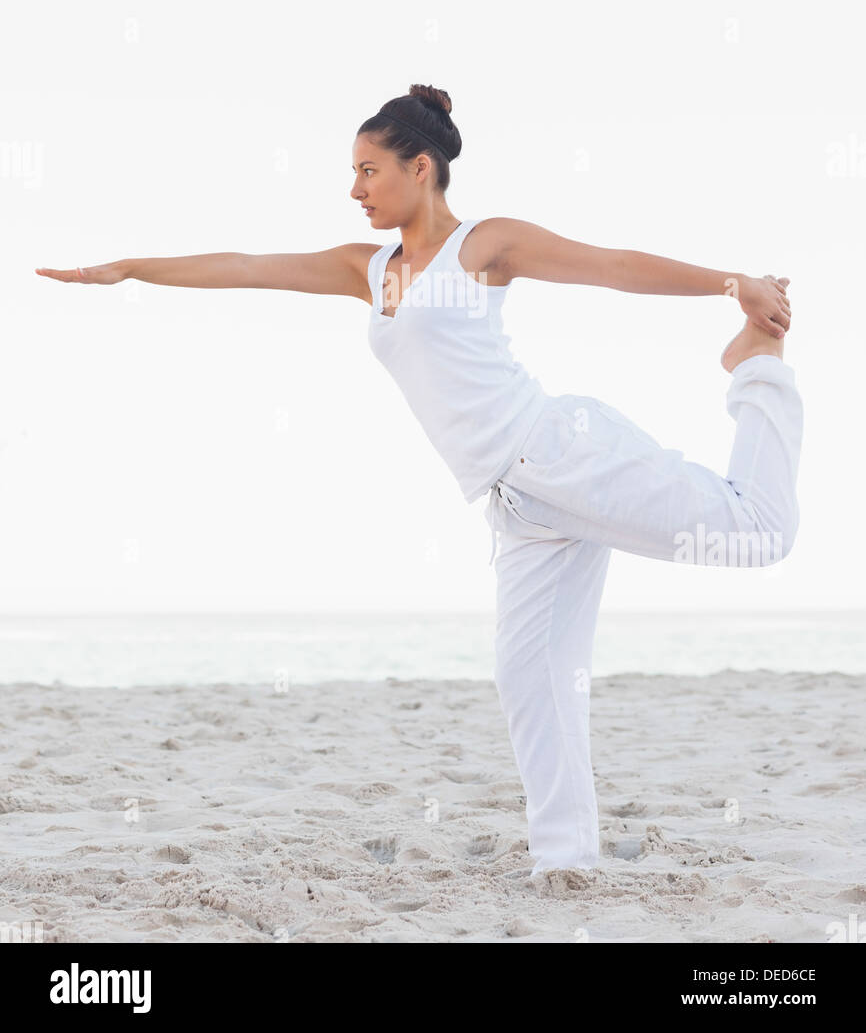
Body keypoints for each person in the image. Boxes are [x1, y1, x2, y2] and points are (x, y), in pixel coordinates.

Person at [35, 83, 804, 876]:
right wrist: (129, 269)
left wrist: (730, 283)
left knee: (758, 535)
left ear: (421, 167)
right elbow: (245, 265)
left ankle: (758, 369)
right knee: (531, 677)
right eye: (354, 173)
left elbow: (610, 265)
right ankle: (566, 861)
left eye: (369, 170)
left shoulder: (483, 244)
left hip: (559, 453)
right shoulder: (369, 271)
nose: (355, 189)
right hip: (517, 504)